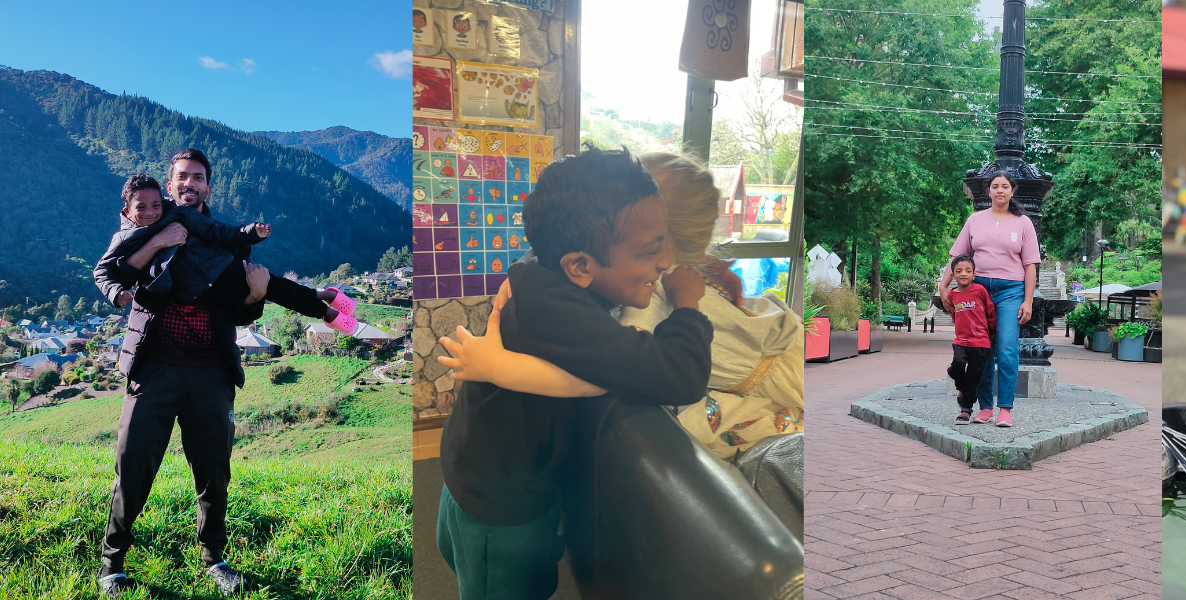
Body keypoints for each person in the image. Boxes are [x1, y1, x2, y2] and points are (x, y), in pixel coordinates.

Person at [434, 146, 712, 600]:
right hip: (501, 511)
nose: (664, 264)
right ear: (580, 267)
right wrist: (687, 303)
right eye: (650, 251)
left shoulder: (539, 272)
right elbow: (679, 374)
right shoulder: (559, 313)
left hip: (474, 478)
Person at [438, 152, 804, 459]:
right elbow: (656, 374)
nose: (660, 263)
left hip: (785, 362)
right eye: (650, 250)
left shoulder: (627, 279)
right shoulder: (646, 295)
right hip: (782, 359)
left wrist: (522, 272)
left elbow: (601, 375)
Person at [95, 150, 278, 598]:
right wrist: (158, 243)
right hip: (152, 367)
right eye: (182, 177)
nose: (189, 184)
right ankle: (112, 565)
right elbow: (115, 273)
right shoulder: (146, 227)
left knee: (214, 471)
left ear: (208, 187)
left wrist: (255, 297)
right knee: (133, 465)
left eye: (198, 177)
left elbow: (238, 314)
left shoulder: (228, 239)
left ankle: (214, 558)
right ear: (170, 184)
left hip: (210, 372)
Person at [95, 170, 363, 335]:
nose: (151, 212)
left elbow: (218, 231)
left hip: (220, 268)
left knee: (274, 287)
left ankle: (327, 313)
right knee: (275, 287)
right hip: (200, 290)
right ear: (127, 210)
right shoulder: (123, 239)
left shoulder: (179, 214)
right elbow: (102, 271)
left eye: (156, 205)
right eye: (141, 208)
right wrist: (116, 292)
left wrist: (250, 232)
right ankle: (326, 296)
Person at [938, 171, 1040, 428]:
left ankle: (1005, 408)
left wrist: (1027, 301)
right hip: (978, 291)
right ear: (989, 191)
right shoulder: (975, 220)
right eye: (995, 186)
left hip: (1010, 292)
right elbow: (957, 257)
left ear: (1012, 191)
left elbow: (1030, 266)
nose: (1000, 191)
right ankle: (985, 407)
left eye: (1005, 186)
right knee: (980, 350)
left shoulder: (1023, 223)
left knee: (1006, 349)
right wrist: (943, 286)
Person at [945, 254, 996, 425]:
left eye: (968, 271)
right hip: (961, 341)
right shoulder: (952, 296)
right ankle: (960, 385)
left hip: (981, 342)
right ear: (953, 275)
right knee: (957, 365)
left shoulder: (980, 290)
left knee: (975, 376)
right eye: (959, 271)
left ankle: (965, 410)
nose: (963, 274)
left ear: (974, 274)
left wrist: (992, 332)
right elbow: (954, 315)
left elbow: (990, 312)